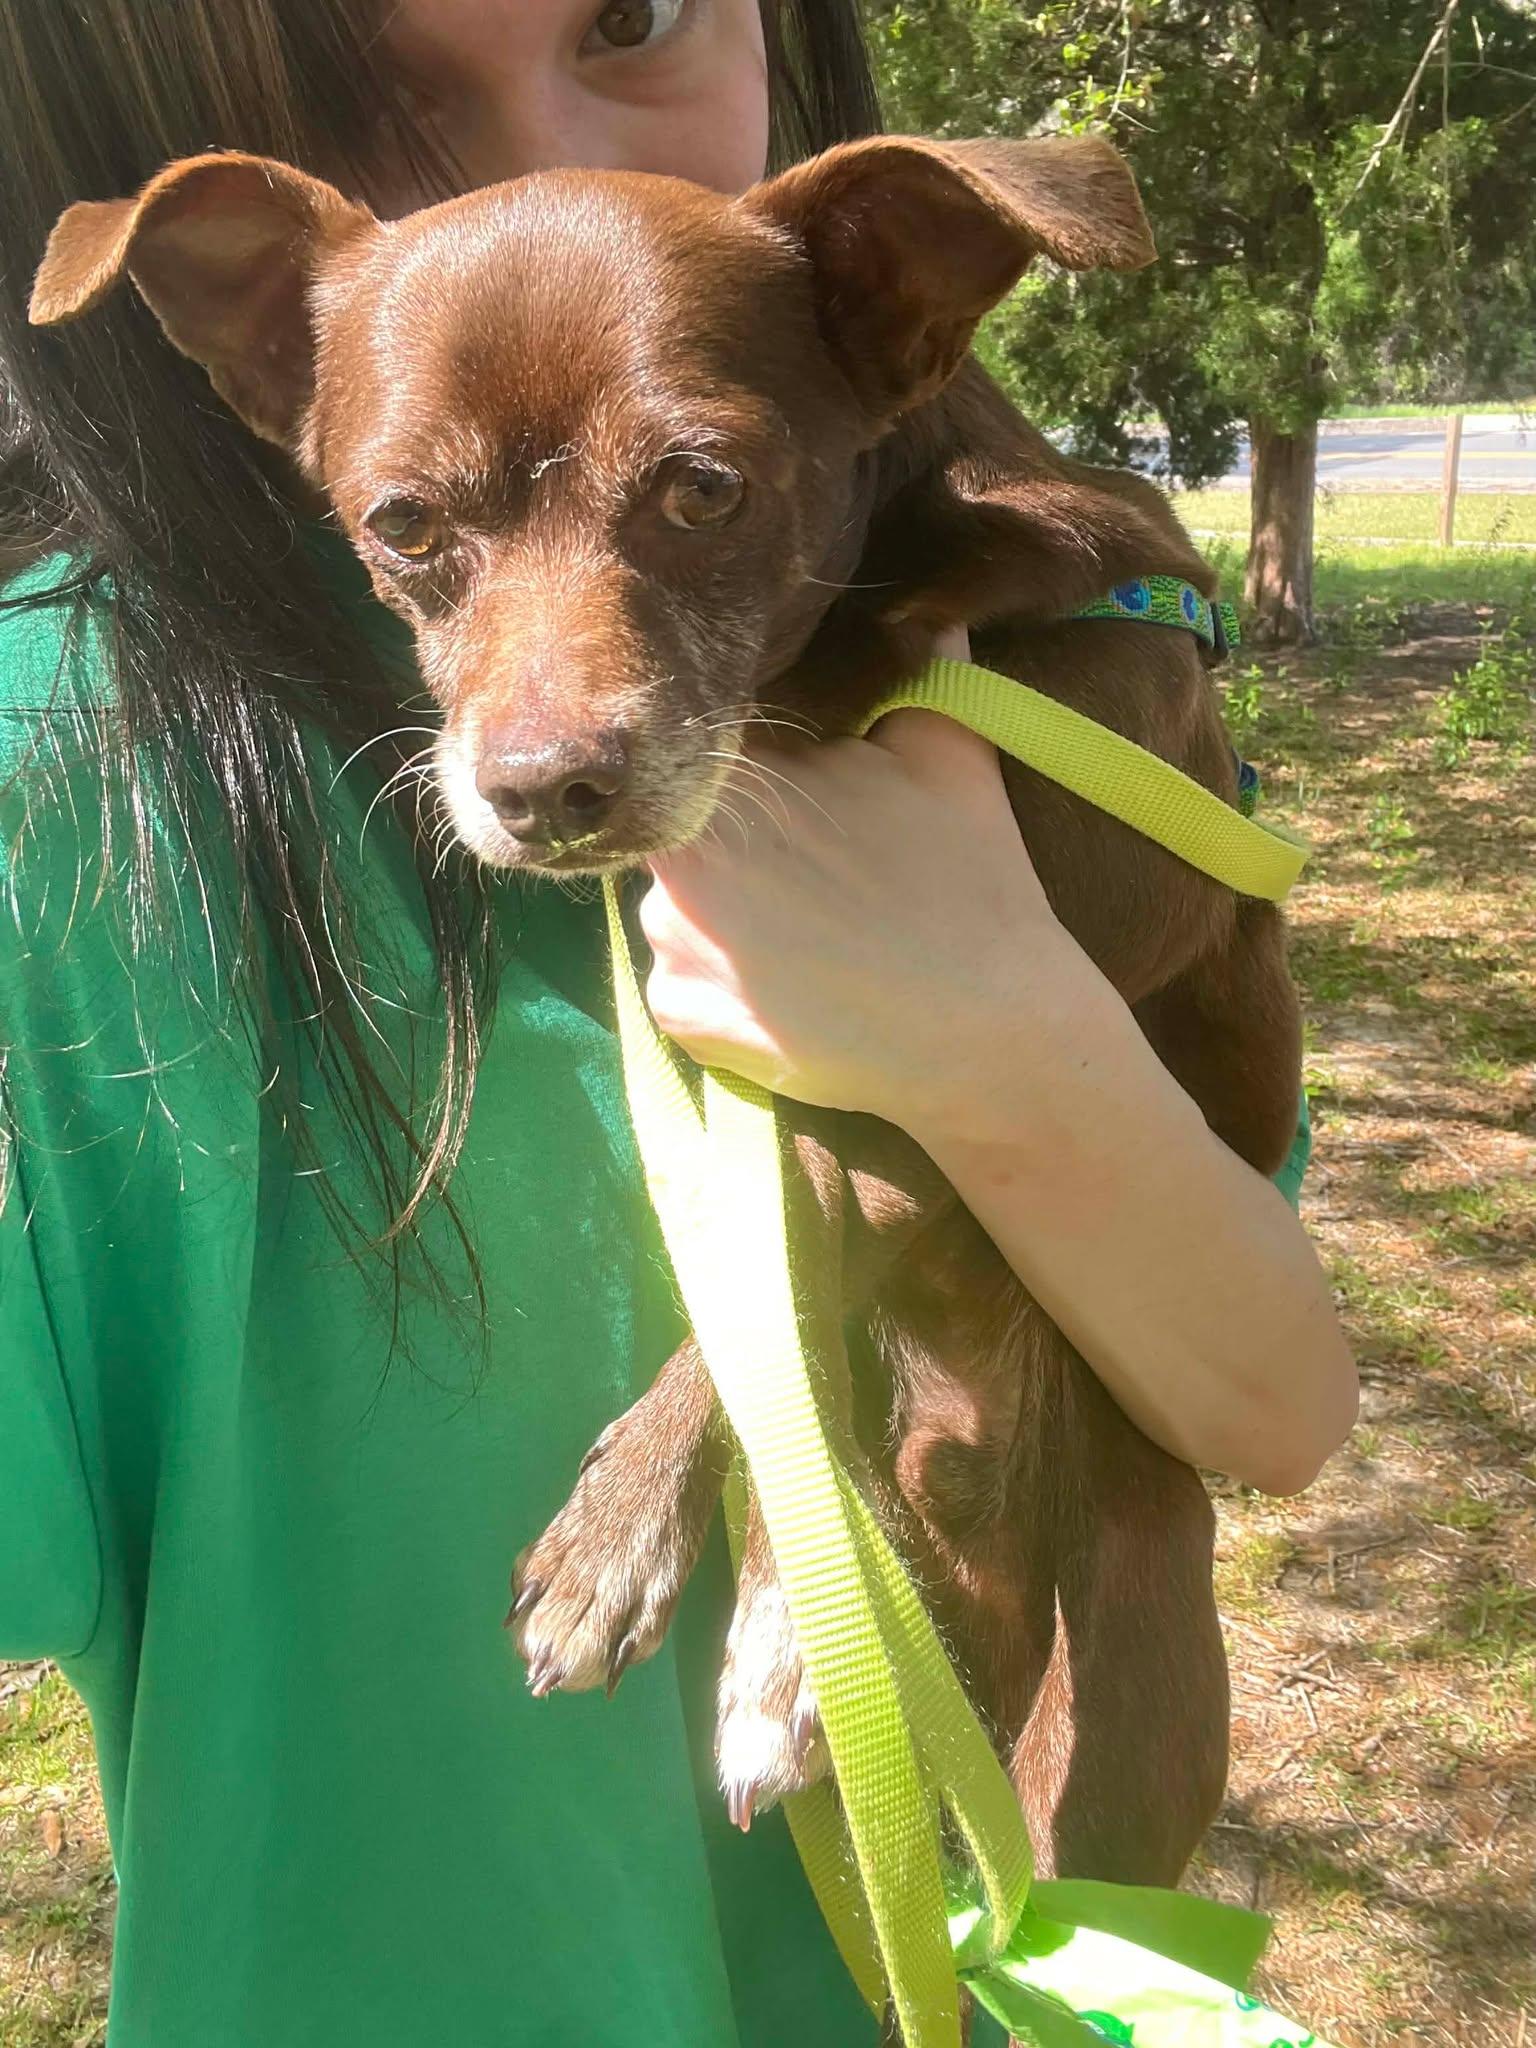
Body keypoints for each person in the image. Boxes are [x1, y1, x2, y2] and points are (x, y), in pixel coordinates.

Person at [0, 4, 1358, 2044]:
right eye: (424, 538)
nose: (543, 724)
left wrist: (997, 1040)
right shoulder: (63, 827)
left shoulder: (1024, 709)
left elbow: (1276, 1405)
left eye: (632, 13)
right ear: (269, 348)